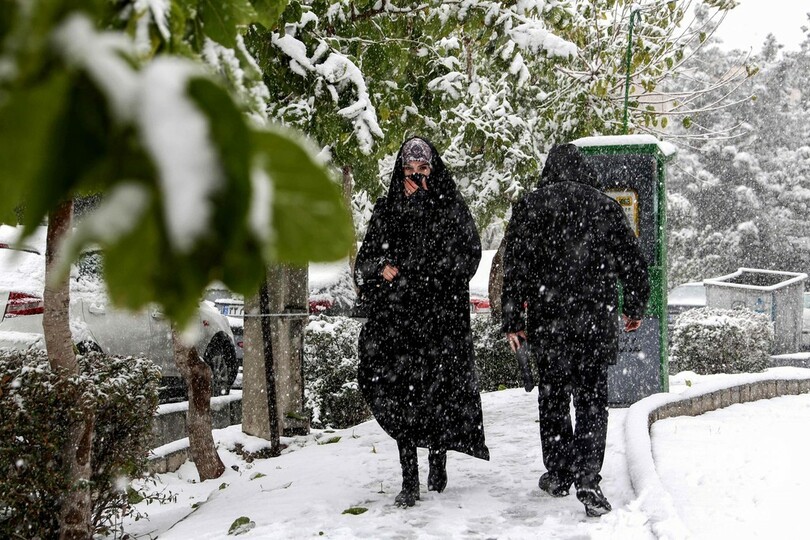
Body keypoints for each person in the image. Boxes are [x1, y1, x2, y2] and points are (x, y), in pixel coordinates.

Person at [500, 143, 649, 517]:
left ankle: (559, 471)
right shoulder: (605, 207)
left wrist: (513, 319)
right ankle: (587, 477)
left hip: (550, 322)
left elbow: (514, 266)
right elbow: (631, 261)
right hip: (594, 320)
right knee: (592, 400)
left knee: (553, 397)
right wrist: (634, 305)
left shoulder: (531, 207)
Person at [355, 136, 490, 508]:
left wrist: (439, 273)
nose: (416, 177)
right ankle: (408, 479)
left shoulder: (449, 207)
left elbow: (469, 253)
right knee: (401, 397)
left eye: (423, 170)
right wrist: (381, 268)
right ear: (400, 171)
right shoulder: (387, 209)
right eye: (410, 171)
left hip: (439, 320)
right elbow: (364, 261)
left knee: (437, 393)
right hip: (399, 321)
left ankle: (438, 455)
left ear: (434, 170)